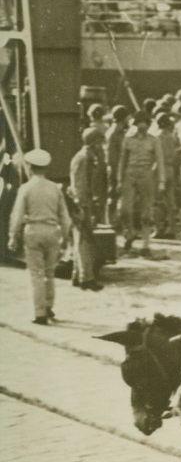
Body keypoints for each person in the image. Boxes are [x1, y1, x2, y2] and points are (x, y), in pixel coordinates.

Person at [9, 149, 72, 324]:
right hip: (52, 231)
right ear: (45, 168)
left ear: (30, 167)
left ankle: (40, 313)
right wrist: (66, 238)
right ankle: (49, 307)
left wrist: (13, 236)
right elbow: (64, 217)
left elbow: (17, 215)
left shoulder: (26, 188)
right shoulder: (55, 189)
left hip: (33, 231)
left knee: (36, 274)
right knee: (50, 273)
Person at [117, 111, 166, 256]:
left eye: (144, 122)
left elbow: (160, 160)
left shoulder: (153, 140)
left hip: (146, 175)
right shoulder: (128, 139)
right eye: (139, 122)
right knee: (125, 210)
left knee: (146, 212)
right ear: (135, 124)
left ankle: (146, 244)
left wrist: (161, 180)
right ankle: (129, 233)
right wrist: (119, 180)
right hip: (130, 174)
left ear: (148, 124)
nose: (142, 125)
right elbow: (122, 161)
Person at [69, 127, 108, 290]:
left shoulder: (85, 156)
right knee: (84, 241)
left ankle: (78, 275)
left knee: (81, 240)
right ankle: (86, 278)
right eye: (99, 141)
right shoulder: (85, 158)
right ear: (93, 142)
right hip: (82, 204)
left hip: (84, 203)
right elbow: (80, 184)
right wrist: (82, 206)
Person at [152, 111, 181, 238]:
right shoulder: (172, 136)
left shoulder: (156, 136)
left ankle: (158, 229)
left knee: (157, 200)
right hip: (170, 168)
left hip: (159, 169)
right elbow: (175, 154)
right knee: (170, 201)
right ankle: (172, 229)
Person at [104, 104, 131, 226]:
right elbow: (112, 159)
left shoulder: (121, 133)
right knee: (113, 196)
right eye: (126, 118)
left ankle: (118, 222)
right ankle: (111, 222)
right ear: (122, 118)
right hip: (115, 171)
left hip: (122, 170)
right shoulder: (113, 134)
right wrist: (117, 175)